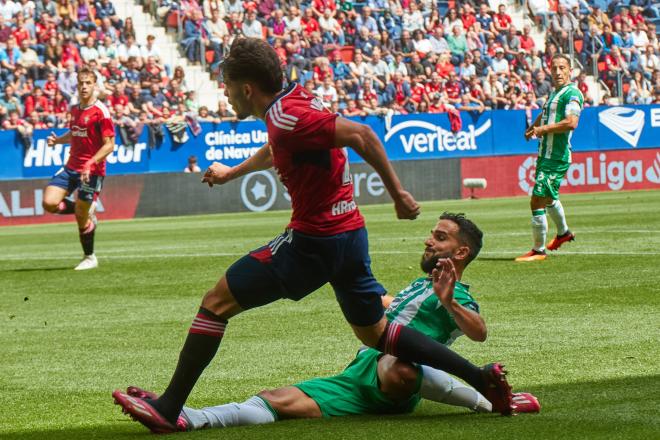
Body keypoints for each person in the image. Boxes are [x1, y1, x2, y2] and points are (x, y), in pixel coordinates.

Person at [113, 38, 514, 434]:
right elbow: (279, 145)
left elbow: (362, 136)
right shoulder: (292, 103)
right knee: (376, 334)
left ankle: (169, 408)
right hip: (350, 235)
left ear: (247, 88)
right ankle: (480, 378)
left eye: (228, 85)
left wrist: (398, 194)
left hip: (314, 241)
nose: (226, 92)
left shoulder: (288, 117)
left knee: (216, 303)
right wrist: (231, 173)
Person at [120, 213, 541, 432]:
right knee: (274, 400)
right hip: (360, 374)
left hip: (395, 377)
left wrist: (450, 302)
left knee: (398, 366)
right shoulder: (418, 284)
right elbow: (384, 302)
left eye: (441, 237)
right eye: (432, 233)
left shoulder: (455, 292)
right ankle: (187, 418)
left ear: (462, 253)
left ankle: (487, 401)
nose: (430, 240)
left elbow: (479, 331)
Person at [41, 66, 115, 270]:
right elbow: (75, 133)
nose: (84, 86)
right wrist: (58, 141)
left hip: (92, 171)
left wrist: (91, 163)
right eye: (81, 83)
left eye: (88, 83)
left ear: (94, 85)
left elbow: (109, 145)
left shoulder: (101, 112)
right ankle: (85, 211)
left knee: (81, 216)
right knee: (49, 203)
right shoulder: (75, 109)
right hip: (71, 166)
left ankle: (89, 257)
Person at [517, 54, 583, 262]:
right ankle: (563, 234)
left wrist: (542, 129)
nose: (558, 72)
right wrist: (532, 127)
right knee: (548, 197)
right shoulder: (554, 93)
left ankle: (538, 250)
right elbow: (546, 113)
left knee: (537, 199)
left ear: (570, 71)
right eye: (554, 68)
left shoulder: (572, 93)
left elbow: (571, 122)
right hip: (545, 154)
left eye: (562, 68)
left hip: (556, 156)